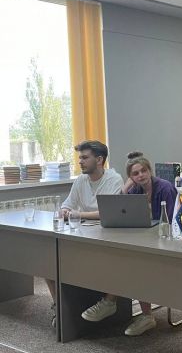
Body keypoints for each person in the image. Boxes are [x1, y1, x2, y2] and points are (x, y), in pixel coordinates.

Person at [80, 151, 177, 336]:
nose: (141, 175)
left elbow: (171, 222)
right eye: (135, 174)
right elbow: (119, 211)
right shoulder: (135, 190)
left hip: (167, 242)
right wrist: (125, 189)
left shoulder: (165, 188)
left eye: (143, 171)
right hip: (144, 242)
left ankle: (112, 302)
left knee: (133, 262)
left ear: (150, 171)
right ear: (130, 177)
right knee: (125, 259)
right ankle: (135, 312)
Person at [46, 140, 123, 328]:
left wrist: (77, 214)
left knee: (116, 262)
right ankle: (59, 305)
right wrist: (65, 211)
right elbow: (67, 204)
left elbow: (107, 212)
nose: (80, 161)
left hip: (107, 236)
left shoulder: (114, 179)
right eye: (80, 157)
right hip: (83, 234)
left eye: (84, 158)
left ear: (99, 159)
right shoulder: (81, 180)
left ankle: (109, 301)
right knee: (48, 261)